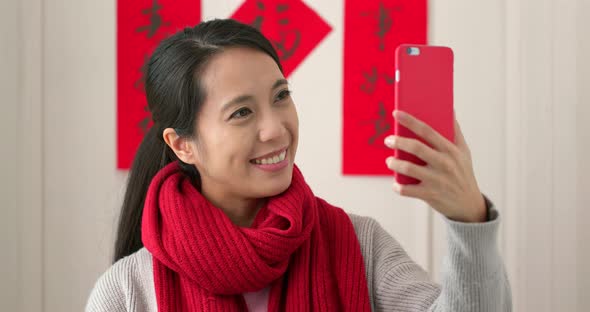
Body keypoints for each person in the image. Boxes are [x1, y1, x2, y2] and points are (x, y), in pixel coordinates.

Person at [86, 19, 512, 312]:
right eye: (241, 113)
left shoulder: (361, 246)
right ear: (182, 146)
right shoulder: (128, 291)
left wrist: (468, 220)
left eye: (280, 96)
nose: (276, 129)